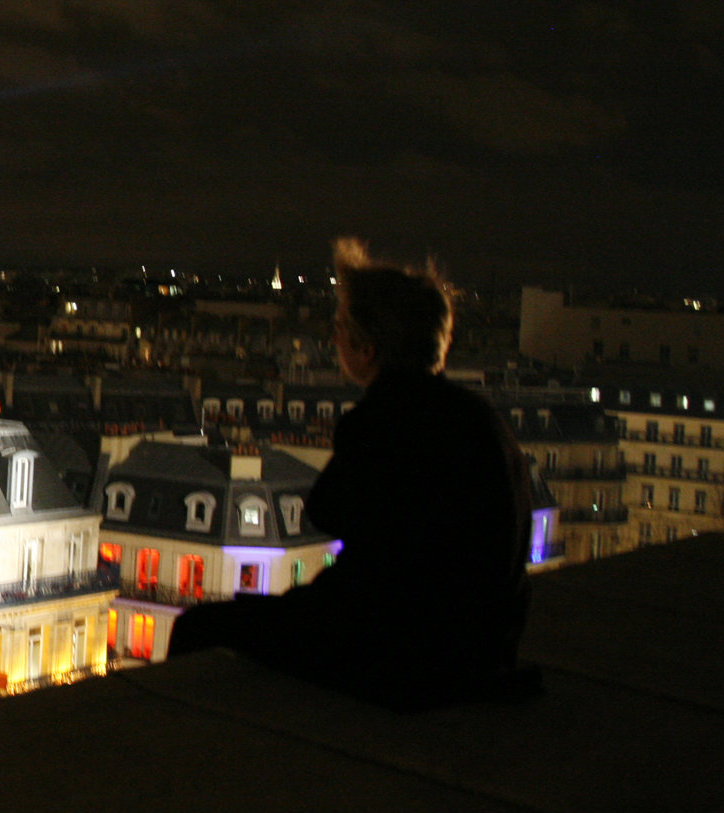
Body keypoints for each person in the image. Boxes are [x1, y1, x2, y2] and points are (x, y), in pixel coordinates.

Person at [166, 240, 537, 710]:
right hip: (482, 648)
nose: (334, 338)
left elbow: (330, 508)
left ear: (368, 347)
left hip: (399, 652)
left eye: (340, 327)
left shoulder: (386, 417)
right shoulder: (481, 418)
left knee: (197, 628)